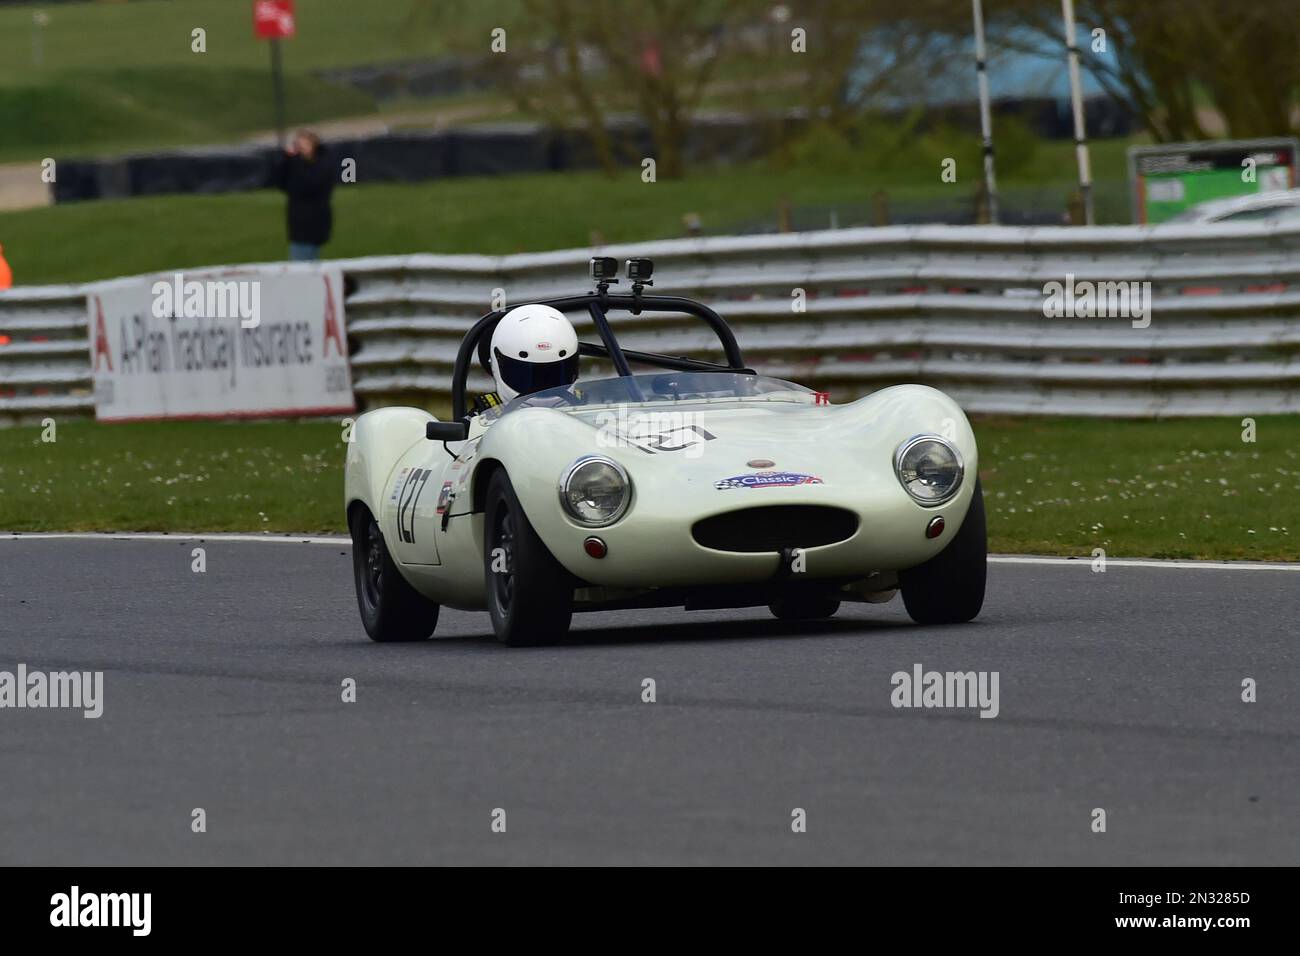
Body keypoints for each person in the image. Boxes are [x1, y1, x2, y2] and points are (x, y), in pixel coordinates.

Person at [486, 305, 581, 405]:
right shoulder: (483, 416)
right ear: (496, 364)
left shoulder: (590, 407)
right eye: (522, 377)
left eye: (553, 376)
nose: (543, 389)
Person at [273, 129, 334, 261]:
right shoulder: (295, 163)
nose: (300, 149)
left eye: (304, 145)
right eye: (298, 145)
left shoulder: (322, 165)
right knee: (308, 264)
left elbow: (307, 186)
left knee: (300, 268)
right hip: (299, 222)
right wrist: (286, 159)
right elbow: (279, 182)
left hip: (312, 222)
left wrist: (295, 162)